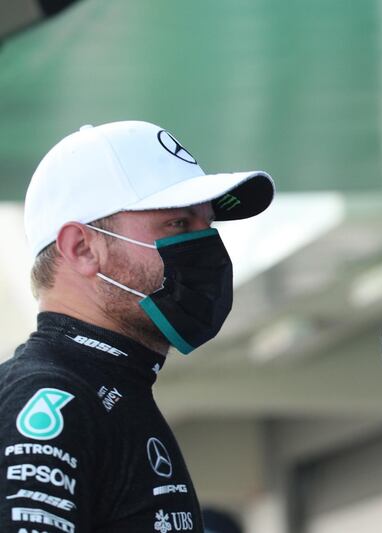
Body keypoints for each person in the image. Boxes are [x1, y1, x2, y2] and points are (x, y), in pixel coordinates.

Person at [0, 121, 275, 532]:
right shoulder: (49, 399)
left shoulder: (110, 390)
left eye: (208, 225)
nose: (208, 247)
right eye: (178, 224)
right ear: (81, 248)